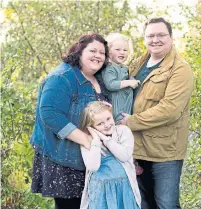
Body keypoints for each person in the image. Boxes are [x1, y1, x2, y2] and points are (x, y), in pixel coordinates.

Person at [119, 17, 194, 209]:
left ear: (171, 38)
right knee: (143, 203)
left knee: (166, 204)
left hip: (164, 152)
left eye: (161, 35)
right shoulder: (138, 64)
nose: (155, 40)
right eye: (150, 35)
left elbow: (170, 109)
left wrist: (131, 122)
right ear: (144, 39)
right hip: (137, 147)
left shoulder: (180, 69)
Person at [30, 33, 110, 209]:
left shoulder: (98, 78)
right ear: (79, 51)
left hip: (88, 158)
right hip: (64, 158)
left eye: (102, 53)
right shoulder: (62, 77)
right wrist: (86, 140)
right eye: (93, 51)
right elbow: (50, 114)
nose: (98, 56)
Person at [79, 101, 141, 209]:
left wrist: (106, 140)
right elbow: (93, 166)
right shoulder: (88, 141)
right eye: (100, 124)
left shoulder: (123, 131)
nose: (107, 125)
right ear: (91, 127)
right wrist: (96, 140)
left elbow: (124, 156)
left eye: (108, 119)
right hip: (100, 191)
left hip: (124, 189)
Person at [101, 33, 140, 122]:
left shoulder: (124, 67)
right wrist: (129, 83)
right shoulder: (109, 67)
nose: (122, 52)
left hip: (126, 105)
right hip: (116, 107)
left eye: (125, 50)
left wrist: (131, 80)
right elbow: (110, 84)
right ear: (109, 51)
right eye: (117, 49)